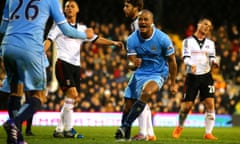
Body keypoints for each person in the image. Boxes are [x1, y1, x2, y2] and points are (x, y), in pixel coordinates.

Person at [0, 0, 94, 143]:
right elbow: (67, 30)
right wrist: (84, 36)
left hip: (8, 46)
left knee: (15, 92)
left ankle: (15, 138)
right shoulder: (50, 1)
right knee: (39, 96)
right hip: (30, 47)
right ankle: (14, 122)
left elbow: (3, 27)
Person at [44, 0, 124, 139]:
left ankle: (58, 129)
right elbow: (49, 40)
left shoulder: (82, 29)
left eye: (72, 6)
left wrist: (113, 43)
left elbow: (96, 39)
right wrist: (40, 53)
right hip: (63, 63)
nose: (69, 8)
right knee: (73, 95)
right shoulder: (58, 26)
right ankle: (69, 130)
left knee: (71, 99)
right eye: (67, 6)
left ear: (77, 10)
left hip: (76, 67)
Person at [114, 9, 177, 141]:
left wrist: (173, 83)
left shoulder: (162, 38)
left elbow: (172, 61)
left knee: (146, 92)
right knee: (128, 104)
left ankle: (126, 126)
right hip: (140, 73)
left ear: (152, 22)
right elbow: (131, 62)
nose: (142, 22)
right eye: (140, 19)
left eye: (145, 19)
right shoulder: (132, 39)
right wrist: (134, 63)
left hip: (158, 73)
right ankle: (124, 136)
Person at [172, 18, 218, 140]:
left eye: (209, 26)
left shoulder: (211, 43)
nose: (207, 27)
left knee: (210, 104)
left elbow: (212, 57)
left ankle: (208, 133)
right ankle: (180, 126)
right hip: (192, 76)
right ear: (199, 25)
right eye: (205, 24)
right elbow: (185, 57)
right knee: (187, 106)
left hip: (206, 76)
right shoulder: (187, 41)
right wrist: (190, 64)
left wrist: (214, 62)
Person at [122, 0, 156, 141]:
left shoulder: (138, 23)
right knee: (142, 99)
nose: (124, 9)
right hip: (147, 64)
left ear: (136, 8)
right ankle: (150, 133)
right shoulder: (136, 23)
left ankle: (143, 133)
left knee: (139, 98)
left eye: (127, 6)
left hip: (147, 65)